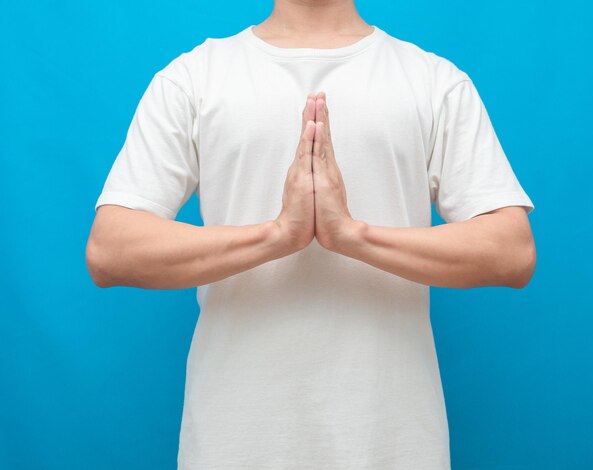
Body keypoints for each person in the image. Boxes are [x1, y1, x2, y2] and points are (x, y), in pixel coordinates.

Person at [86, 0, 536, 468]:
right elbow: (110, 248)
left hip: (393, 446)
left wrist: (352, 235)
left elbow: (511, 250)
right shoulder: (193, 78)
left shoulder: (433, 82)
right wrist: (279, 235)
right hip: (234, 445)